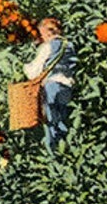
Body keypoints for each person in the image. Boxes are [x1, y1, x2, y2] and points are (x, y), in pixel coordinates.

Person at [23, 17, 77, 152]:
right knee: (63, 119)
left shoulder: (47, 47)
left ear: (46, 32)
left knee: (51, 122)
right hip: (67, 87)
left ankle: (53, 152)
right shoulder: (70, 45)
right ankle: (67, 148)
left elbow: (33, 72)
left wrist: (25, 66)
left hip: (51, 86)